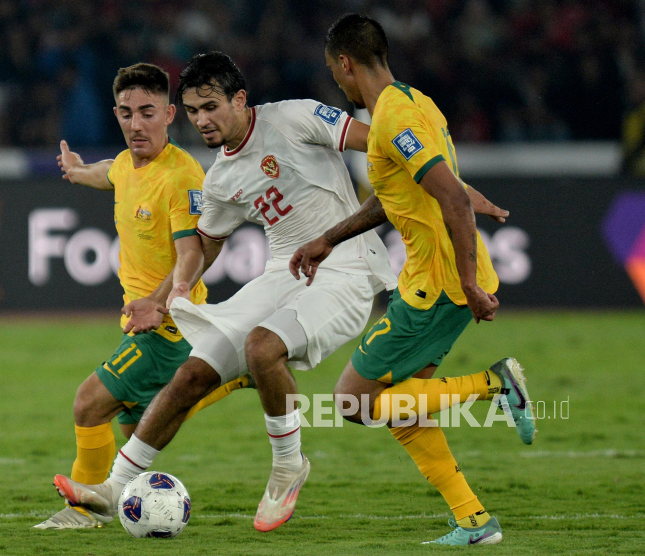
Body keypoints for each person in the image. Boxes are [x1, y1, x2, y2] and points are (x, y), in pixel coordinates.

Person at [50, 52, 509, 533]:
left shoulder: (296, 116)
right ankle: (114, 485)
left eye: (210, 107)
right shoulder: (222, 177)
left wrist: (454, 186)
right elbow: (204, 245)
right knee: (191, 374)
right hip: (282, 273)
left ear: (240, 99)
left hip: (345, 271)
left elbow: (388, 142)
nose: (202, 120)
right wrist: (168, 293)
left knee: (262, 347)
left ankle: (289, 465)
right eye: (193, 111)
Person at [289, 14, 537, 546]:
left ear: (346, 63)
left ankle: (495, 384)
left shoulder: (391, 119)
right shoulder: (416, 102)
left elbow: (447, 192)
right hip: (439, 277)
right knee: (404, 402)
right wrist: (329, 238)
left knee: (352, 402)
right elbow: (411, 189)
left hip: (438, 284)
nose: (337, 82)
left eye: (335, 72)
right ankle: (474, 521)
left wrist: (469, 282)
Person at [35, 63, 248, 530]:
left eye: (148, 112)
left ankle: (81, 515)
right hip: (147, 321)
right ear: (116, 114)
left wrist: (159, 301)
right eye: (127, 113)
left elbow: (193, 254)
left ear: (170, 114)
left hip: (169, 327)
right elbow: (110, 172)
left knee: (89, 402)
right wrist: (77, 171)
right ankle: (229, 374)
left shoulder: (181, 176)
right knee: (138, 432)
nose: (137, 124)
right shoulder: (129, 163)